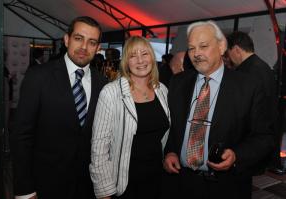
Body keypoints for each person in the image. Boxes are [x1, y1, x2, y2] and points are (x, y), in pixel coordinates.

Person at [163, 20, 274, 199]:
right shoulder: (178, 83)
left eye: (203, 46)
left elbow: (264, 137)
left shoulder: (248, 86)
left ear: (222, 46)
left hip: (226, 186)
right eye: (191, 48)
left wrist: (237, 155)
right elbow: (173, 128)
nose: (196, 53)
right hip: (182, 183)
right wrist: (170, 151)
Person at [11, 16, 107, 199]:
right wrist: (25, 190)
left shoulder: (103, 83)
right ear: (66, 39)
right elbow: (21, 135)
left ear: (98, 48)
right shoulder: (38, 77)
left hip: (87, 187)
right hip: (45, 185)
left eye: (92, 42)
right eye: (79, 38)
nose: (84, 47)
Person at [90, 36, 170, 199]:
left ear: (152, 58)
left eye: (144, 54)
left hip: (157, 179)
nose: (140, 60)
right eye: (133, 56)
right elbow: (99, 146)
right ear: (126, 62)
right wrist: (104, 191)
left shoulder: (162, 90)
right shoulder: (111, 92)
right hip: (124, 183)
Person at [226, 31, 279, 172]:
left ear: (236, 49)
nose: (229, 58)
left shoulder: (245, 71)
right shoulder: (264, 66)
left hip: (252, 133)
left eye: (228, 52)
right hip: (267, 130)